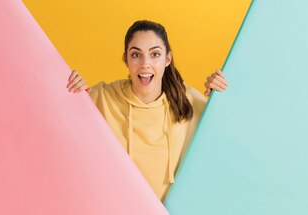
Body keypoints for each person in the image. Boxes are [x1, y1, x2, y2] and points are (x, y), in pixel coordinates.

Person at [66, 20, 228, 201]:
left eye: (155, 54)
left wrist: (222, 95)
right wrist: (70, 87)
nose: (145, 64)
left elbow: (228, 136)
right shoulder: (103, 97)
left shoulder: (187, 100)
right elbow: (60, 126)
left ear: (167, 59)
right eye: (136, 55)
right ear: (125, 59)